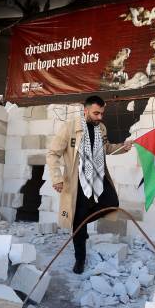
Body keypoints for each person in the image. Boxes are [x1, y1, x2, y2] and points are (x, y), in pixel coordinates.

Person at [46, 95, 132, 274]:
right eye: (96, 113)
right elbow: (53, 153)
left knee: (112, 203)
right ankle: (80, 259)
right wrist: (56, 178)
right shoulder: (69, 128)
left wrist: (122, 147)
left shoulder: (101, 128)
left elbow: (106, 148)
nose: (100, 117)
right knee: (79, 217)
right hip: (78, 181)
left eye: (101, 113)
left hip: (98, 177)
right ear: (85, 110)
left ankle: (79, 225)